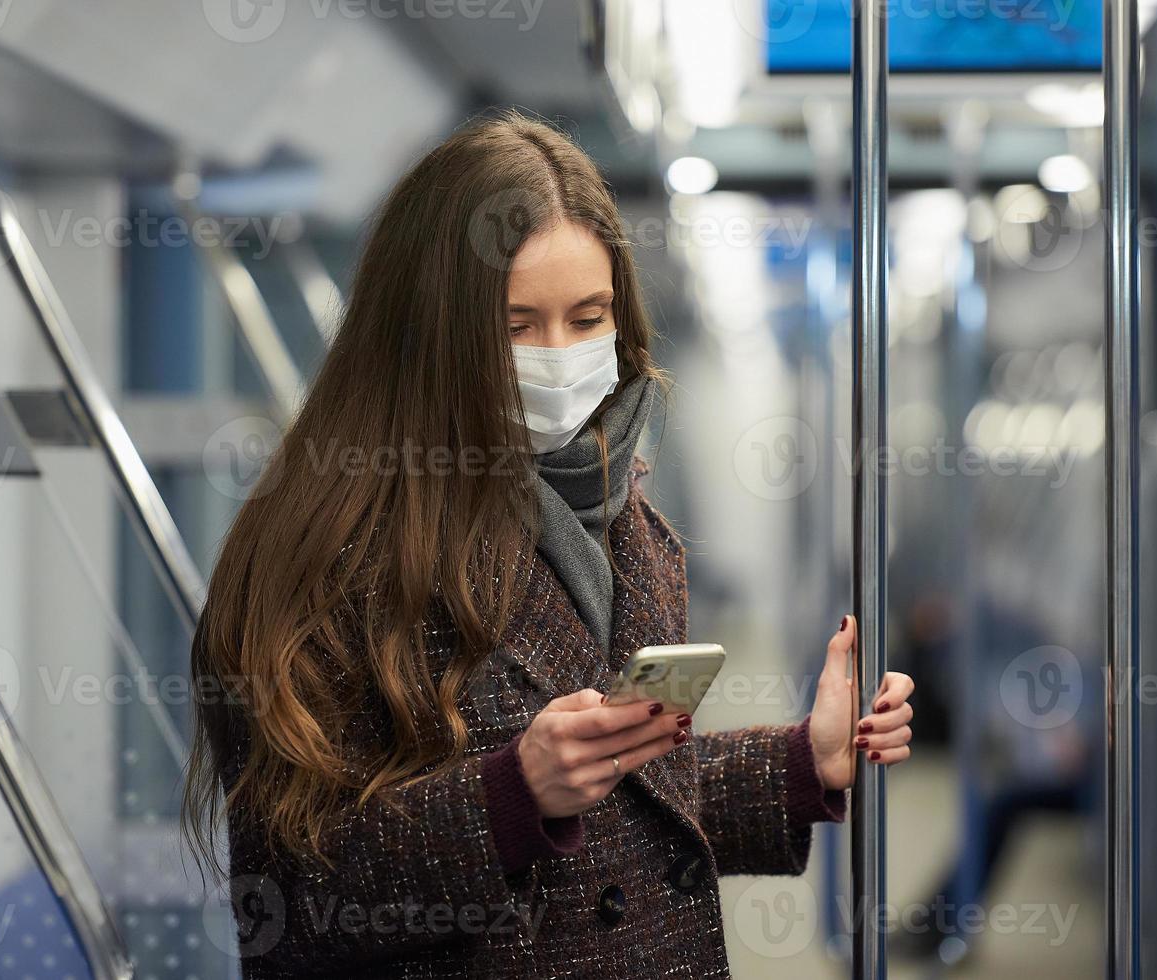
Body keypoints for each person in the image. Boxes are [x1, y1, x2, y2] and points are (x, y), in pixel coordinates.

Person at [183, 112, 916, 978]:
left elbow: (622, 807)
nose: (560, 356)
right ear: (428, 331)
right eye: (517, 324)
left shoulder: (627, 525)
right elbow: (291, 901)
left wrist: (801, 764)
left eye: (587, 316)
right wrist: (508, 797)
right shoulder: (322, 553)